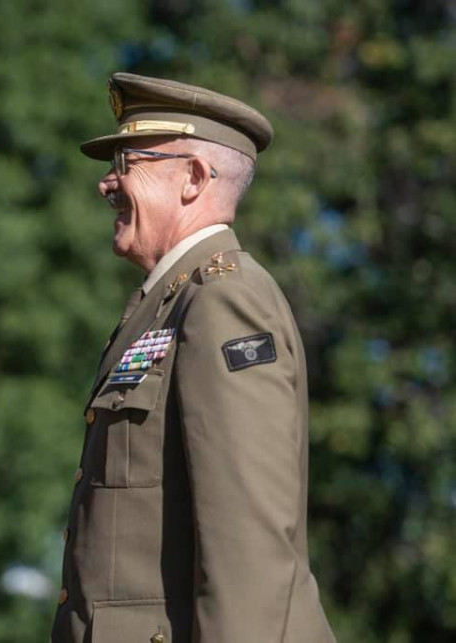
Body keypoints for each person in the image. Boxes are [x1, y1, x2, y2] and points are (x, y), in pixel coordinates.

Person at [51, 73, 335, 642]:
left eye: (127, 161)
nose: (108, 183)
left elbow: (248, 541)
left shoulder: (222, 300)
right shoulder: (172, 302)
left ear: (193, 178)